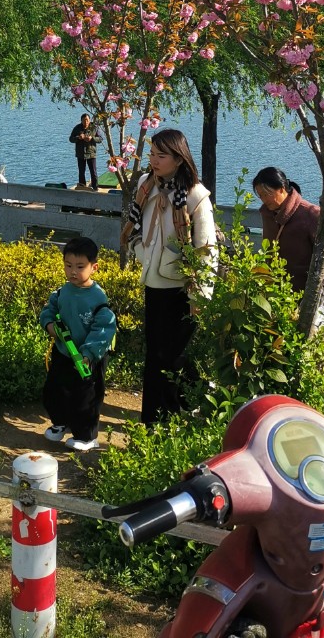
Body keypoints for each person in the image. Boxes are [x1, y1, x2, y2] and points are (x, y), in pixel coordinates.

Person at [121, 128, 217, 426]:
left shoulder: (195, 195)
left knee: (171, 354)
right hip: (154, 282)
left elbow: (206, 249)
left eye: (161, 156)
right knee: (156, 354)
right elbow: (135, 226)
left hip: (183, 286)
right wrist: (139, 251)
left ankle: (170, 415)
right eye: (152, 154)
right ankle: (154, 420)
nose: (153, 160)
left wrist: (200, 295)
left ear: (179, 159)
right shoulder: (146, 184)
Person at [39, 235, 116, 452]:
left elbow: (104, 329)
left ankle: (86, 436)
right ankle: (60, 422)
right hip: (64, 352)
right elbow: (49, 310)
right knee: (55, 389)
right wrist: (49, 325)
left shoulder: (98, 298)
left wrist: (88, 354)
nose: (73, 271)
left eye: (80, 266)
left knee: (86, 397)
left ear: (94, 267)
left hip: (89, 357)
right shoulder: (62, 292)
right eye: (68, 265)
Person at [252, 166, 324, 293]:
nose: (264, 200)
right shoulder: (267, 214)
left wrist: (322, 288)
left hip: (307, 292)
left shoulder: (311, 214)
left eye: (267, 194)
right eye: (261, 196)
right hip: (275, 291)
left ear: (282, 189)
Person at [69, 113, 102, 190]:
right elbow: (71, 139)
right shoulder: (77, 128)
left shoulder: (94, 127)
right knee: (81, 172)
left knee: (93, 172)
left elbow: (100, 139)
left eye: (87, 120)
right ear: (81, 121)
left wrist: (92, 138)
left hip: (91, 153)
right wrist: (78, 138)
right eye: (84, 120)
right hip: (80, 154)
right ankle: (82, 187)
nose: (85, 122)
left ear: (89, 120)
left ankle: (95, 188)